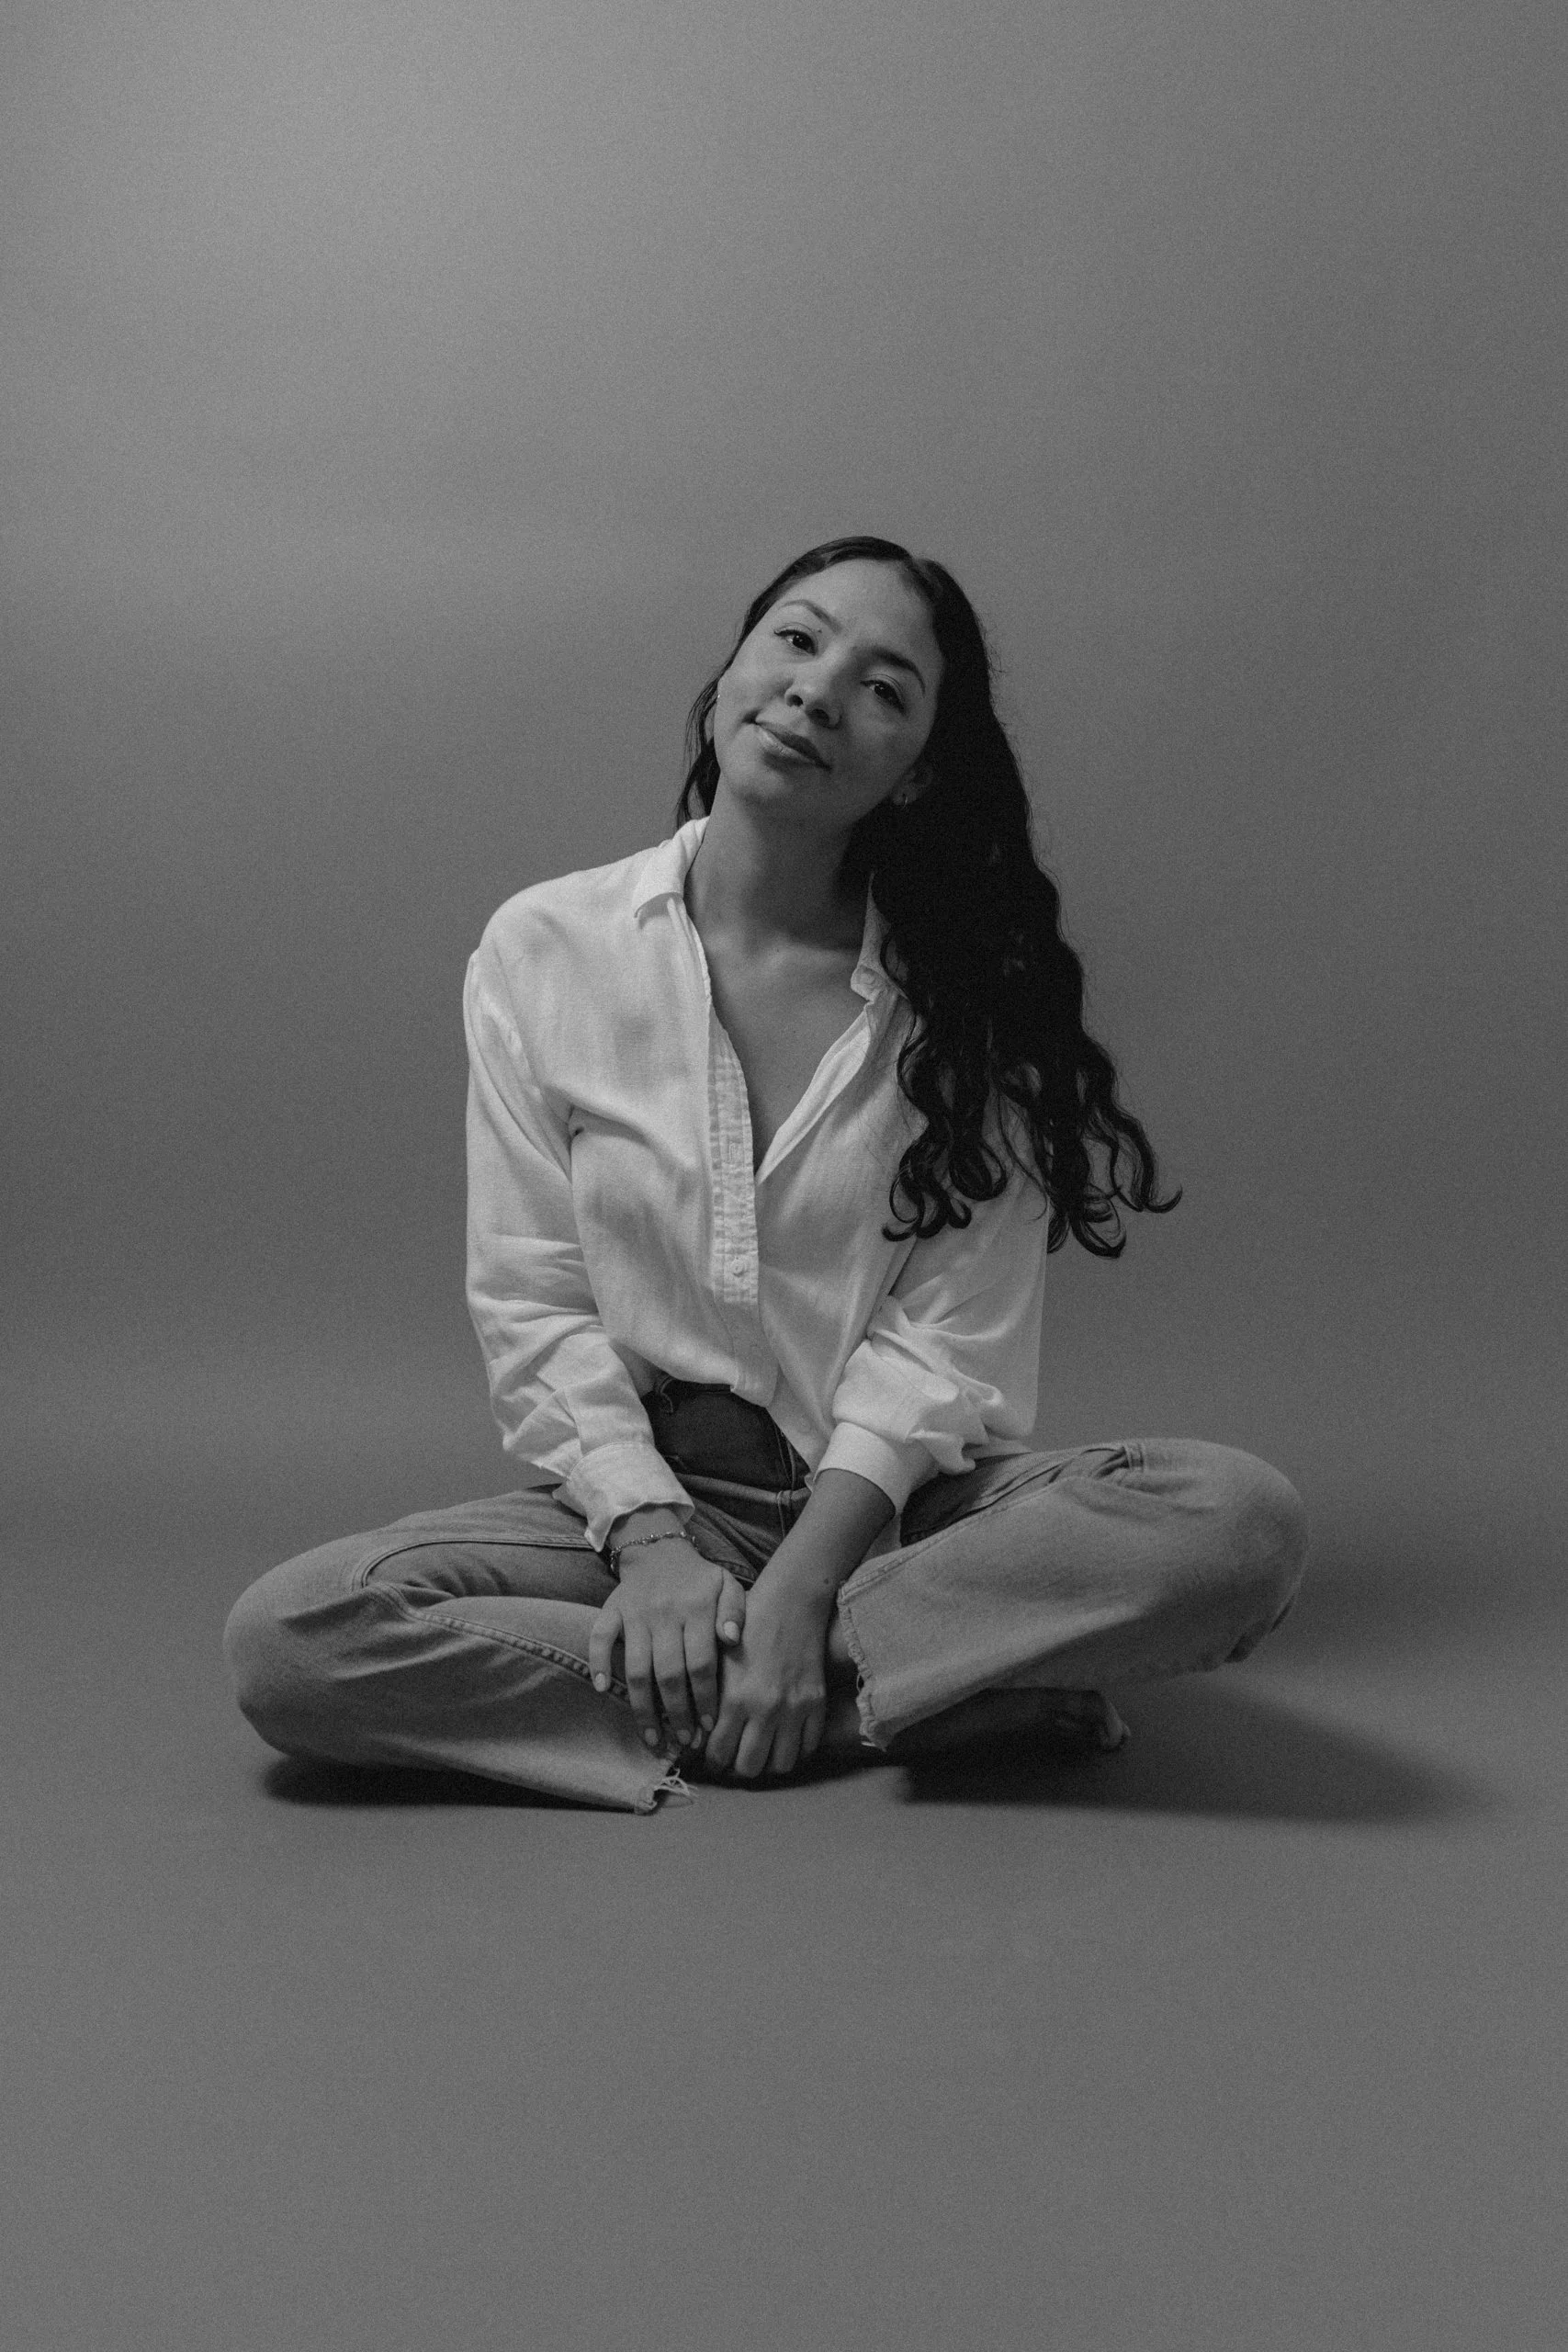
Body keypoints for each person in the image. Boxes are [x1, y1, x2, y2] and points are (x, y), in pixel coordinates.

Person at [223, 535, 1307, 1814]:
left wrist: (801, 1590)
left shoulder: (976, 995)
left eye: (883, 687)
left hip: (898, 1523)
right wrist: (651, 1547)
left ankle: (775, 1675)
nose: (815, 691)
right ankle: (894, 1702)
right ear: (732, 671)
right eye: (796, 639)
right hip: (649, 1505)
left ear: (916, 768)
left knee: (1236, 1521)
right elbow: (533, 1296)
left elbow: (946, 1345)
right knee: (296, 1637)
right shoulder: (546, 948)